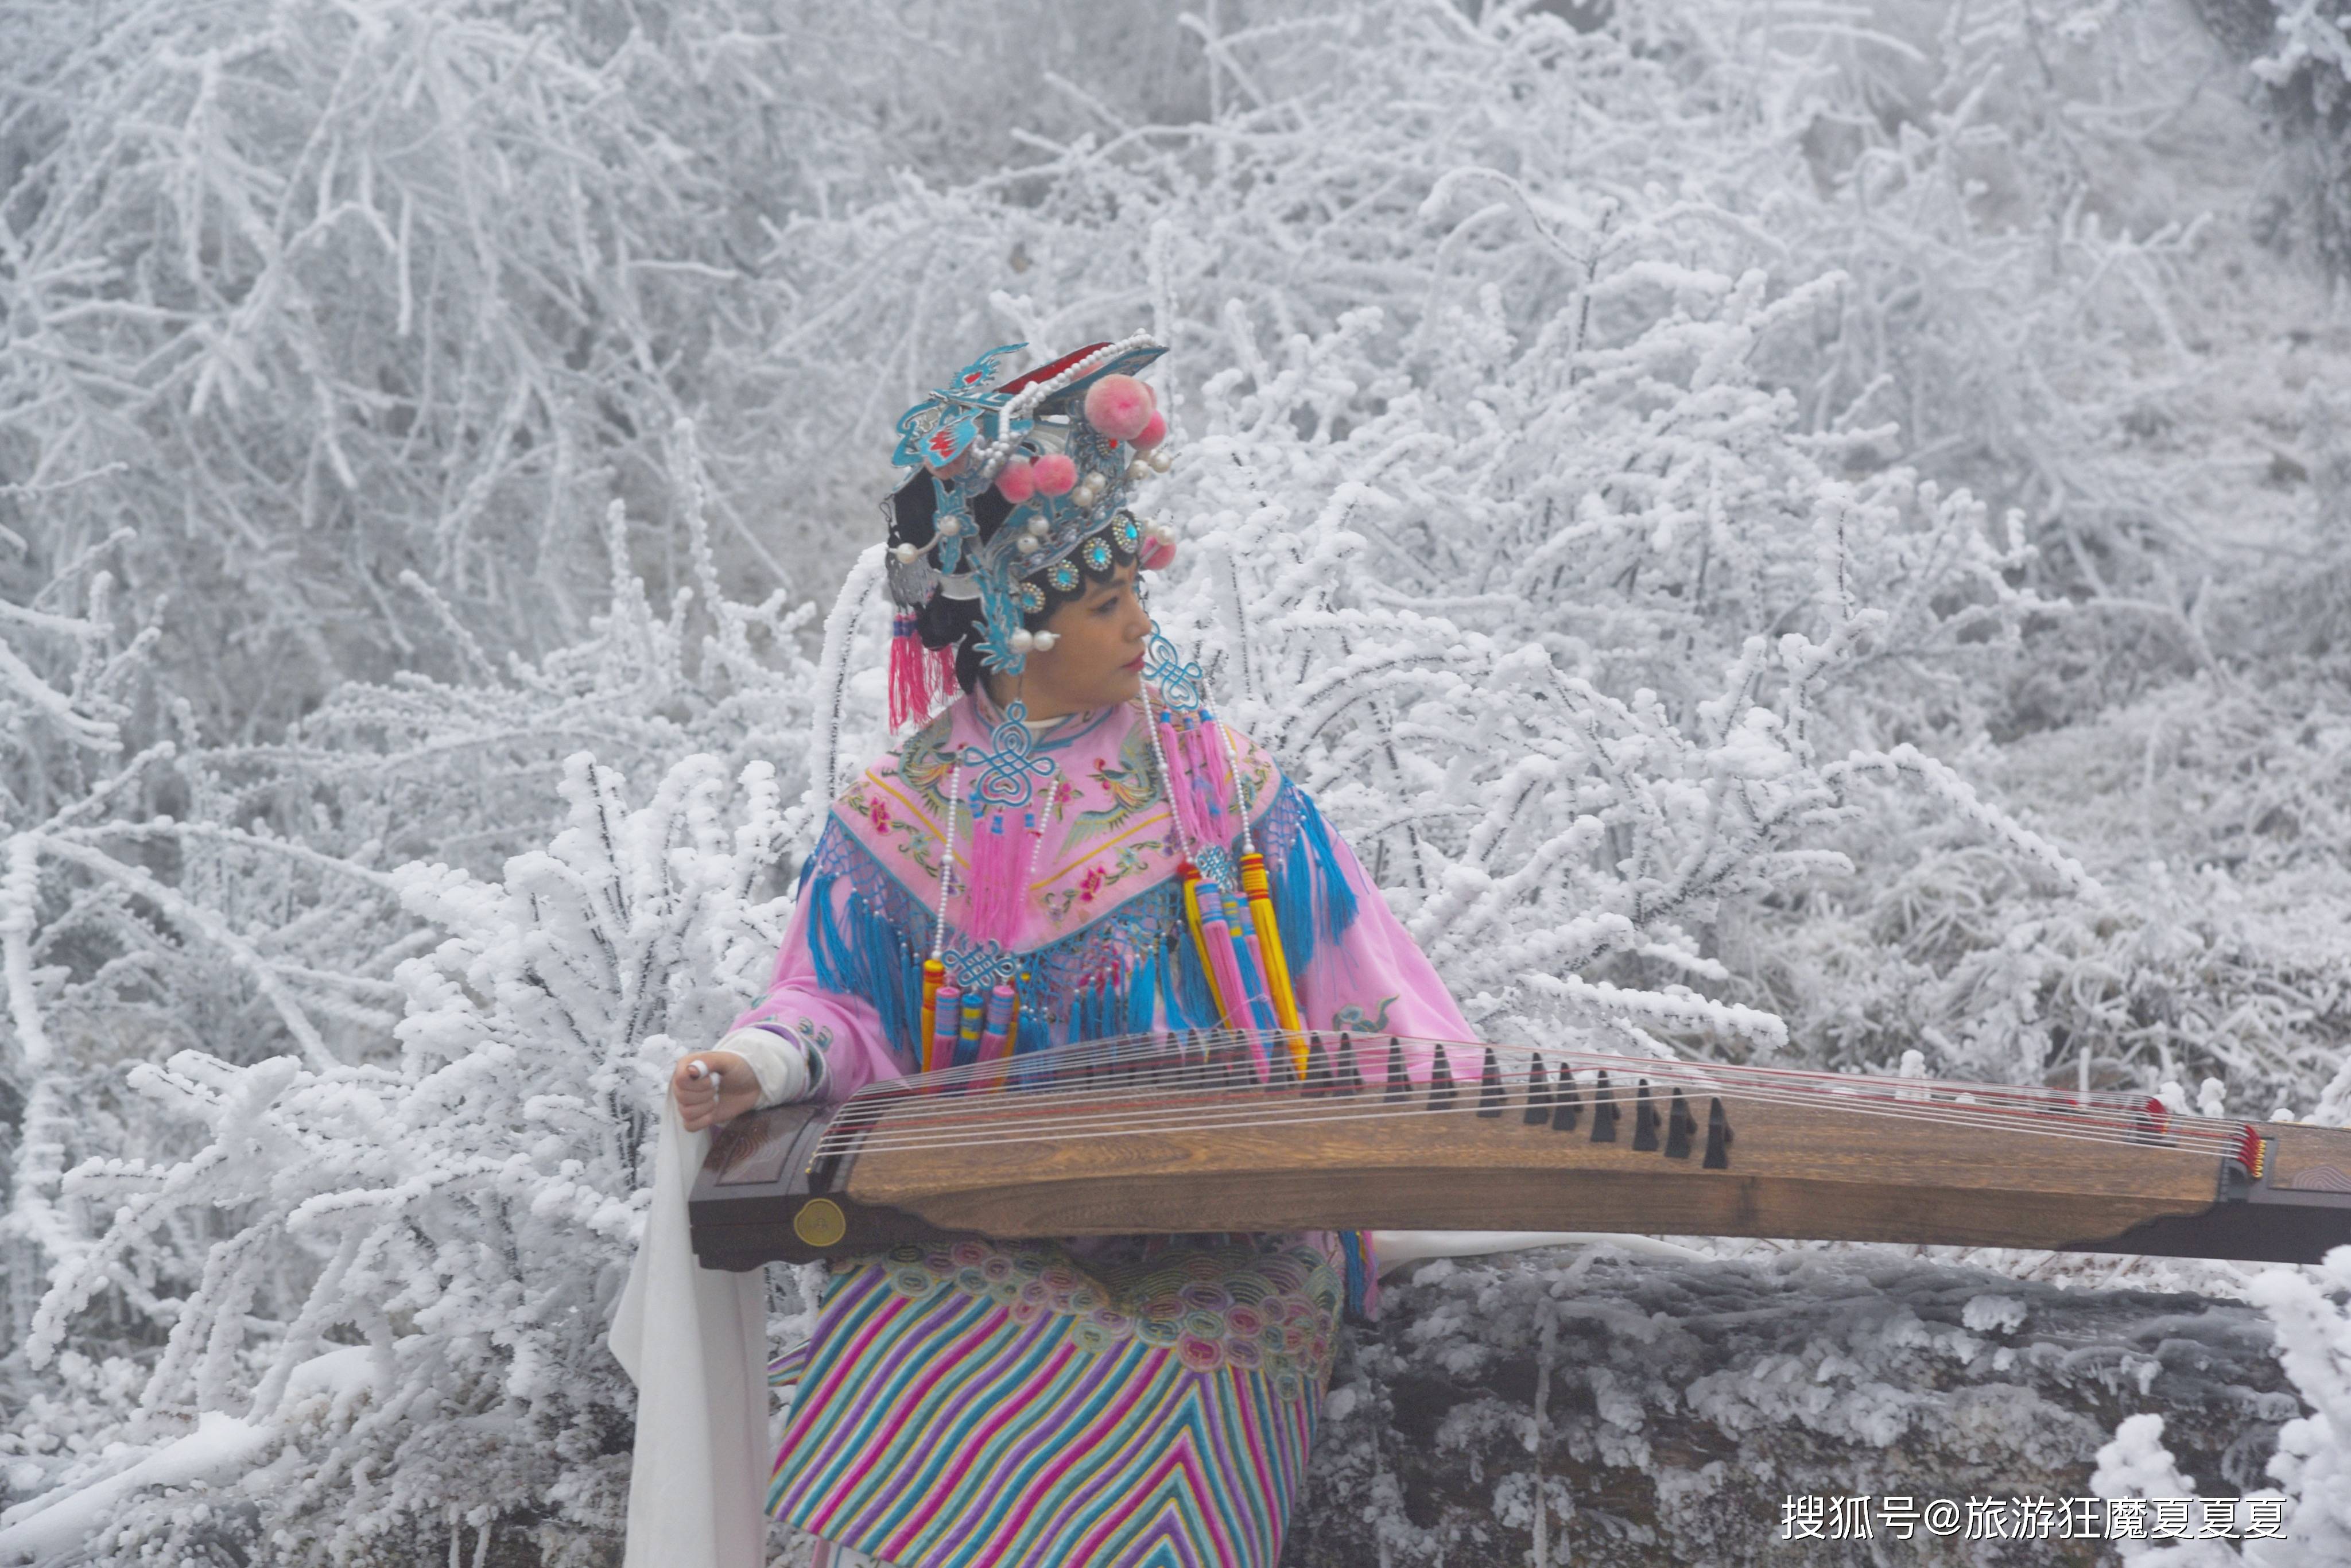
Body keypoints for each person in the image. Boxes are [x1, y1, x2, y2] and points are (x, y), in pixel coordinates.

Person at [619, 336, 1479, 1568]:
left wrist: (1432, 1121)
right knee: (898, 1343)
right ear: (1015, 628)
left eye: (1138, 590)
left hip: (1223, 1222)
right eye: (1101, 601)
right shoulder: (909, 812)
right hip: (982, 1215)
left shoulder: (1211, 783)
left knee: (1182, 1379)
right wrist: (754, 1065)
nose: (1139, 623)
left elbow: (1361, 988)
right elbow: (836, 1003)